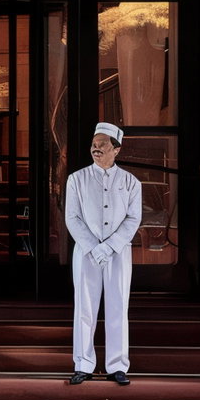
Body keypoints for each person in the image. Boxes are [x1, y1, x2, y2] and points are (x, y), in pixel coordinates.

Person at [64, 121, 142, 385]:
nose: (96, 149)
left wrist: (109, 247)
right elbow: (72, 218)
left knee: (118, 306)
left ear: (116, 149)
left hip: (118, 253)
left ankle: (117, 365)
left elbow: (133, 219)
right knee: (84, 307)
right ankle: (83, 364)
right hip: (86, 252)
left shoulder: (131, 182)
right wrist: (93, 247)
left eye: (102, 145)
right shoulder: (77, 179)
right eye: (94, 145)